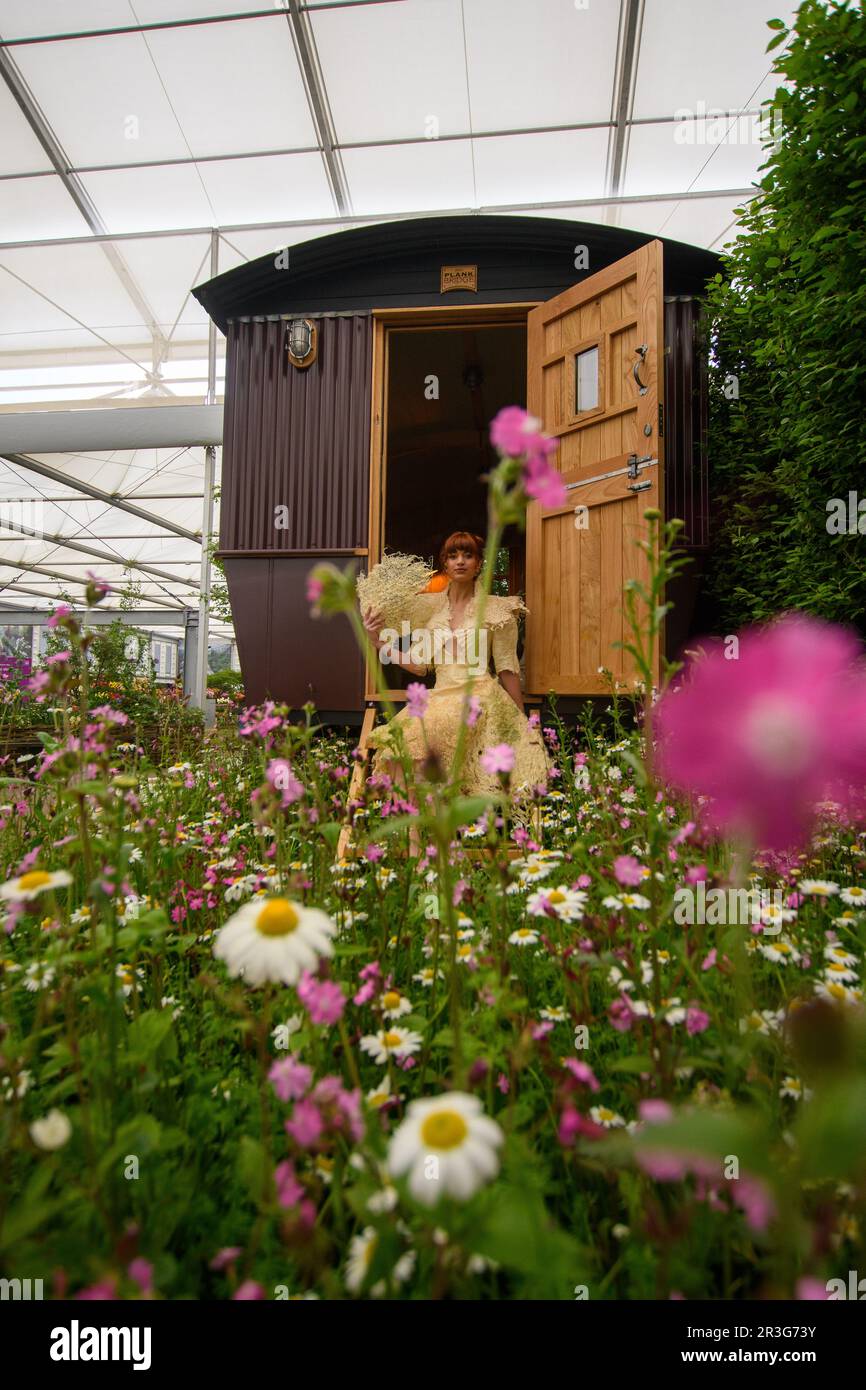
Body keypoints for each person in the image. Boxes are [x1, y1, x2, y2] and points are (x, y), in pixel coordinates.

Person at [360, 531, 550, 809]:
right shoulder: (431, 610)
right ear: (445, 564)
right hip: (439, 696)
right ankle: (414, 843)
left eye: (467, 555)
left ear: (478, 564)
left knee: (430, 746)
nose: (460, 561)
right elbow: (421, 665)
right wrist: (378, 642)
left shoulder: (498, 609)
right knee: (399, 752)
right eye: (453, 555)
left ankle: (438, 837)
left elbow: (508, 668)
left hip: (478, 695)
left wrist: (521, 720)